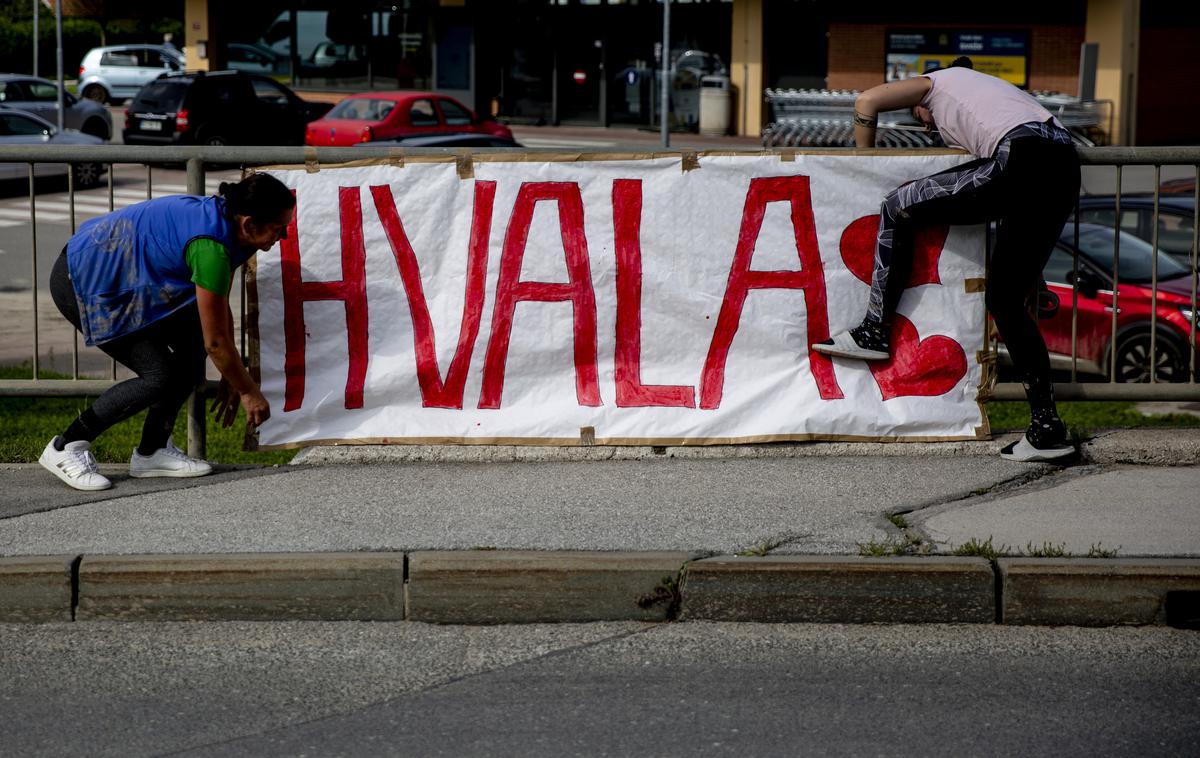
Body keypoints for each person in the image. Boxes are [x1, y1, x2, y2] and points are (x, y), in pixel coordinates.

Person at [813, 58, 1081, 462]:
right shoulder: (1001, 94)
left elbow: (867, 102)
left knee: (897, 203)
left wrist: (860, 167)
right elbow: (1016, 199)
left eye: (921, 119)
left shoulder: (936, 84)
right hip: (1063, 163)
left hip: (1021, 157)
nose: (927, 127)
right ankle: (1046, 430)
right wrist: (1035, 278)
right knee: (1006, 301)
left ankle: (873, 331)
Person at [39, 173, 295, 491]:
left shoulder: (229, 225)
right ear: (249, 224)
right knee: (157, 375)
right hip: (81, 279)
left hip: (124, 276)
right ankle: (67, 446)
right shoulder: (211, 248)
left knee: (192, 345)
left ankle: (152, 451)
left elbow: (215, 317)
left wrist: (234, 374)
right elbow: (216, 342)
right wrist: (248, 391)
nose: (283, 235)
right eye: (279, 228)